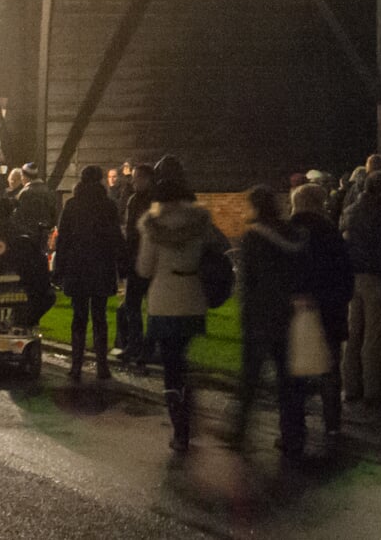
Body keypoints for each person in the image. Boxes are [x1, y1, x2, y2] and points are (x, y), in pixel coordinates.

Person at [137, 170, 226, 453]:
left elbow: (143, 268)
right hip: (193, 297)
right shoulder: (201, 224)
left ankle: (180, 428)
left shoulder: (152, 227)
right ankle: (189, 405)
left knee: (170, 363)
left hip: (164, 299)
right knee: (182, 358)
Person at [231, 185, 304, 449]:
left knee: (250, 377)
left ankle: (239, 431)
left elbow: (247, 282)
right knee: (288, 379)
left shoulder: (253, 237)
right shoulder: (292, 234)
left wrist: (244, 313)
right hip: (287, 312)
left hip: (259, 315)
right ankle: (293, 435)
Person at [288, 183, 353, 450]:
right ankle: (333, 424)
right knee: (329, 369)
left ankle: (295, 425)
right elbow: (345, 276)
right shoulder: (331, 234)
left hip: (297, 311)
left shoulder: (288, 233)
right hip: (330, 310)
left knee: (296, 371)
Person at [53, 165, 121, 381]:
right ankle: (102, 366)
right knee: (99, 316)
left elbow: (63, 240)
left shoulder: (73, 205)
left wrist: (59, 269)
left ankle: (76, 365)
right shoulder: (108, 206)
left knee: (79, 316)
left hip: (78, 266)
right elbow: (115, 238)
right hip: (101, 266)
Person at [341, 170, 381, 404]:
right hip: (374, 278)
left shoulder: (350, 211)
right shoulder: (380, 214)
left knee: (354, 334)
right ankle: (373, 389)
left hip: (352, 277)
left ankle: (351, 387)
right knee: (374, 337)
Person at [0, 196, 54, 330]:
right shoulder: (21, 233)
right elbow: (34, 260)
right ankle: (23, 322)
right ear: (12, 211)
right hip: (17, 282)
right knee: (48, 296)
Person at [115, 162, 157, 361]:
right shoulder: (138, 199)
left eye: (137, 177)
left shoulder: (141, 201)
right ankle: (141, 346)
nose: (134, 181)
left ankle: (137, 345)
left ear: (148, 179)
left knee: (135, 305)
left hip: (141, 258)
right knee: (136, 305)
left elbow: (131, 231)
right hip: (141, 258)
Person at [14, 162, 58, 256]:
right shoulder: (47, 190)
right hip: (44, 234)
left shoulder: (25, 193)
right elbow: (53, 212)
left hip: (28, 234)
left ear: (25, 176)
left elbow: (19, 215)